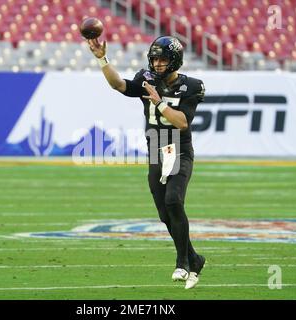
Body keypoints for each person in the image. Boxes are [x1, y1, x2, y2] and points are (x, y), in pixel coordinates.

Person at [87, 36, 206, 289]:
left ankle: (182, 261)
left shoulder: (193, 86)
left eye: (163, 59)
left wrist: (159, 103)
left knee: (174, 200)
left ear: (175, 61)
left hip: (180, 150)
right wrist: (101, 58)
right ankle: (195, 259)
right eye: (154, 58)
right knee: (165, 214)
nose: (157, 63)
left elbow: (182, 122)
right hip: (156, 151)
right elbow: (119, 85)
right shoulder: (146, 78)